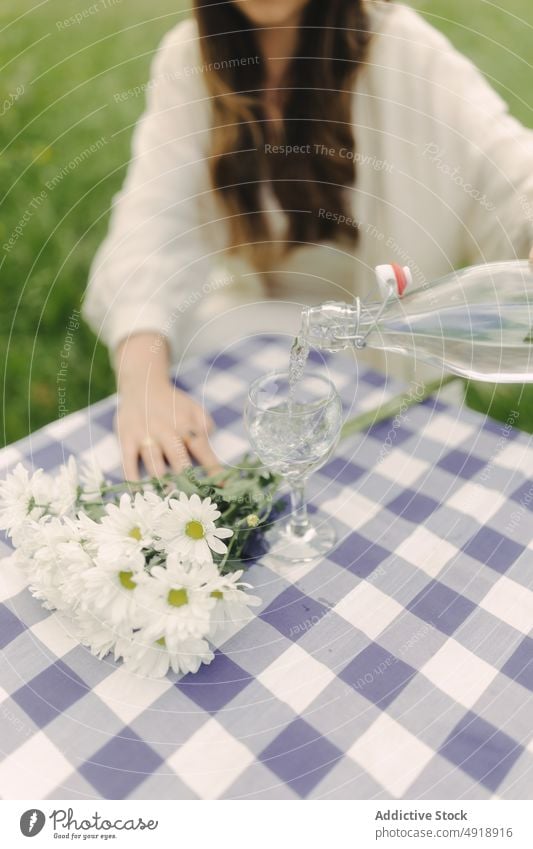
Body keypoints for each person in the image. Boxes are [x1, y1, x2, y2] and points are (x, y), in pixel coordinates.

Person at [82, 0, 533, 479]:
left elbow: (509, 171)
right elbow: (151, 222)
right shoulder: (189, 57)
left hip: (385, 355)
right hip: (254, 329)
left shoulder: (402, 46)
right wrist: (143, 383)